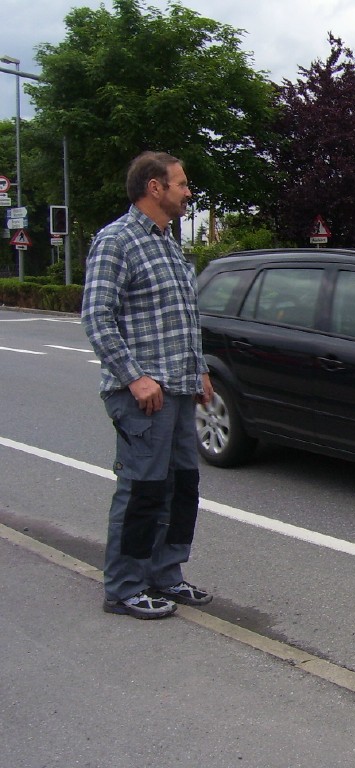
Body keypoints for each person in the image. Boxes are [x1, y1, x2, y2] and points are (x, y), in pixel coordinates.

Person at [82, 151, 215, 620]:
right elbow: (96, 317)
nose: (188, 192)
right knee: (142, 491)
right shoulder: (116, 241)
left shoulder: (169, 245)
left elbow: (184, 317)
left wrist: (199, 370)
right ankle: (124, 587)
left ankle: (165, 574)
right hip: (142, 395)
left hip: (178, 389)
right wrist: (134, 377)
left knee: (181, 487)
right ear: (154, 188)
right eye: (181, 184)